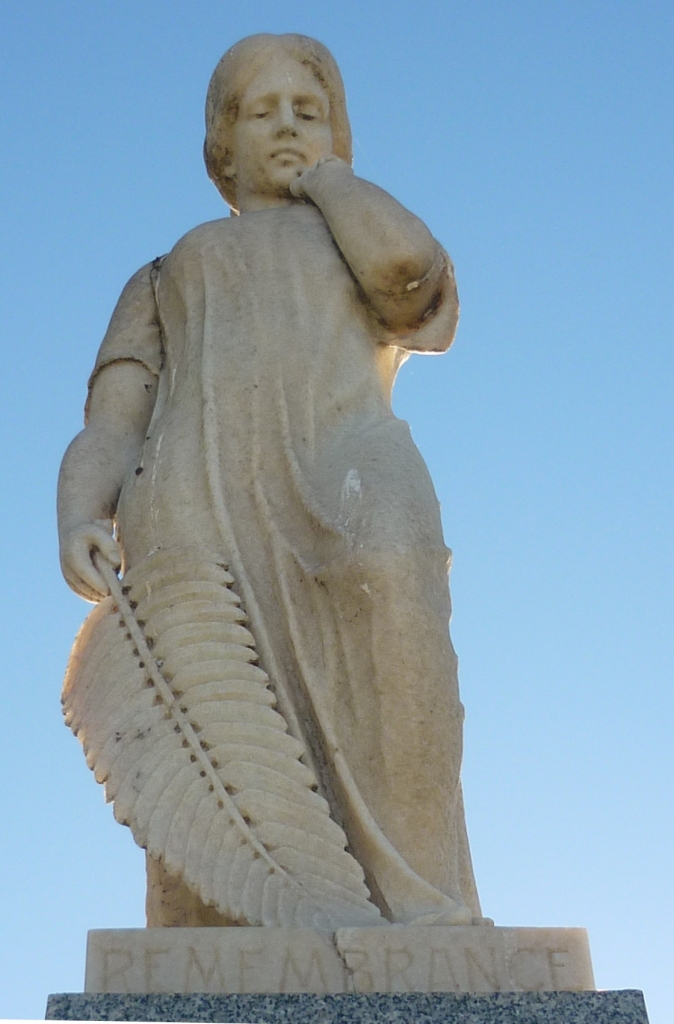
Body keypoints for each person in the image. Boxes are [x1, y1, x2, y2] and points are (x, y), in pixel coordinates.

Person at [58, 32, 481, 926]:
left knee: (398, 591)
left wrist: (330, 182)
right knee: (220, 709)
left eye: (309, 112)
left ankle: (420, 906)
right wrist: (78, 512)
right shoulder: (170, 270)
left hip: (348, 470)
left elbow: (407, 272)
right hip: (195, 497)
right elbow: (112, 418)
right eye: (263, 113)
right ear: (223, 140)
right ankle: (238, 915)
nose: (287, 129)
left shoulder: (356, 233)